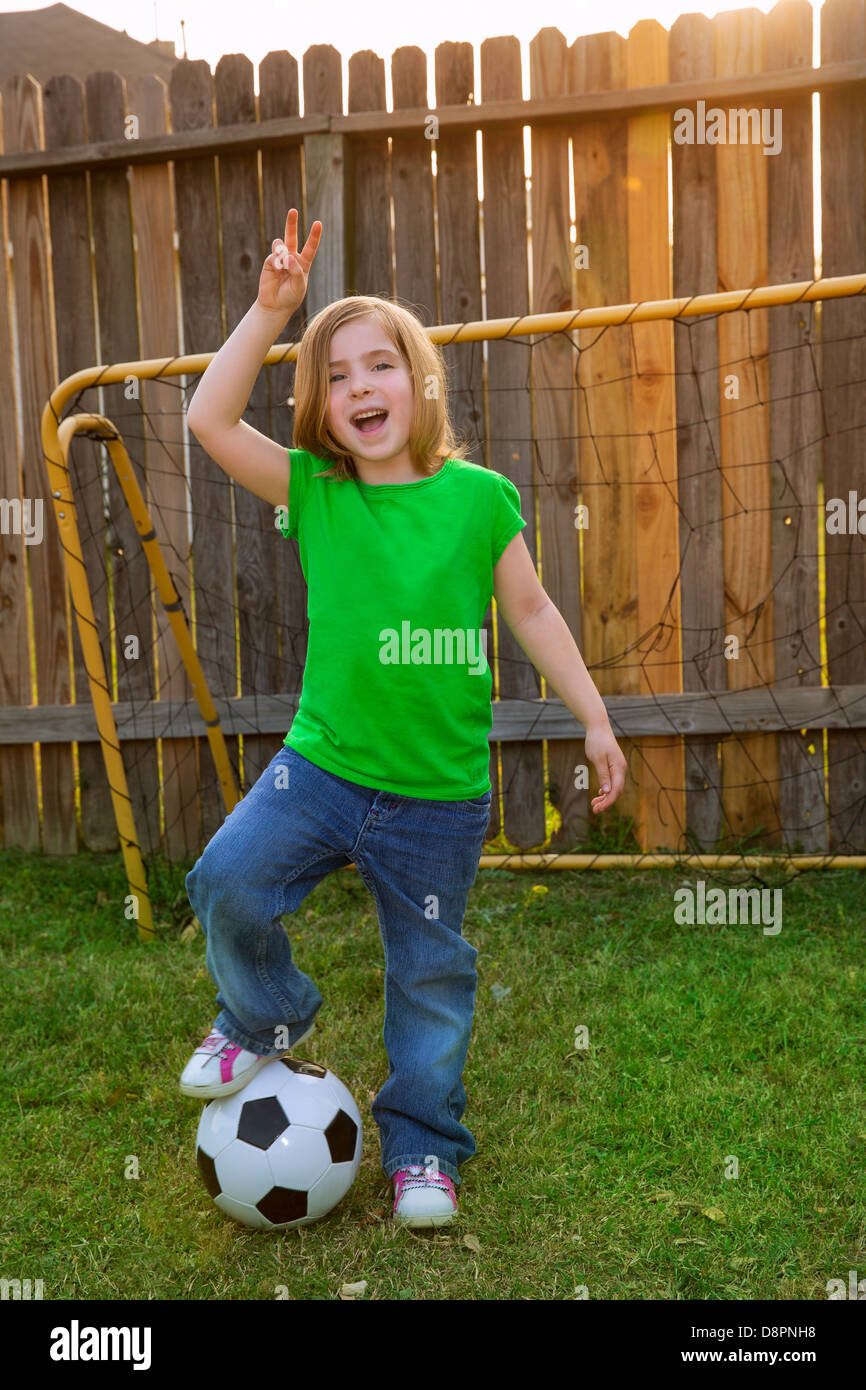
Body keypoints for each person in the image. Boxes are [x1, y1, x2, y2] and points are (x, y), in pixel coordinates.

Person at [179, 209, 627, 1228]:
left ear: (419, 382)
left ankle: (422, 1149)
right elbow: (207, 421)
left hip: (435, 797)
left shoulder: (479, 500)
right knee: (226, 881)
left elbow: (531, 610)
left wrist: (592, 719)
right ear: (320, 408)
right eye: (334, 377)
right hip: (321, 769)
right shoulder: (315, 491)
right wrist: (266, 312)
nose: (358, 389)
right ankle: (267, 1010)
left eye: (379, 365)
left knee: (428, 975)